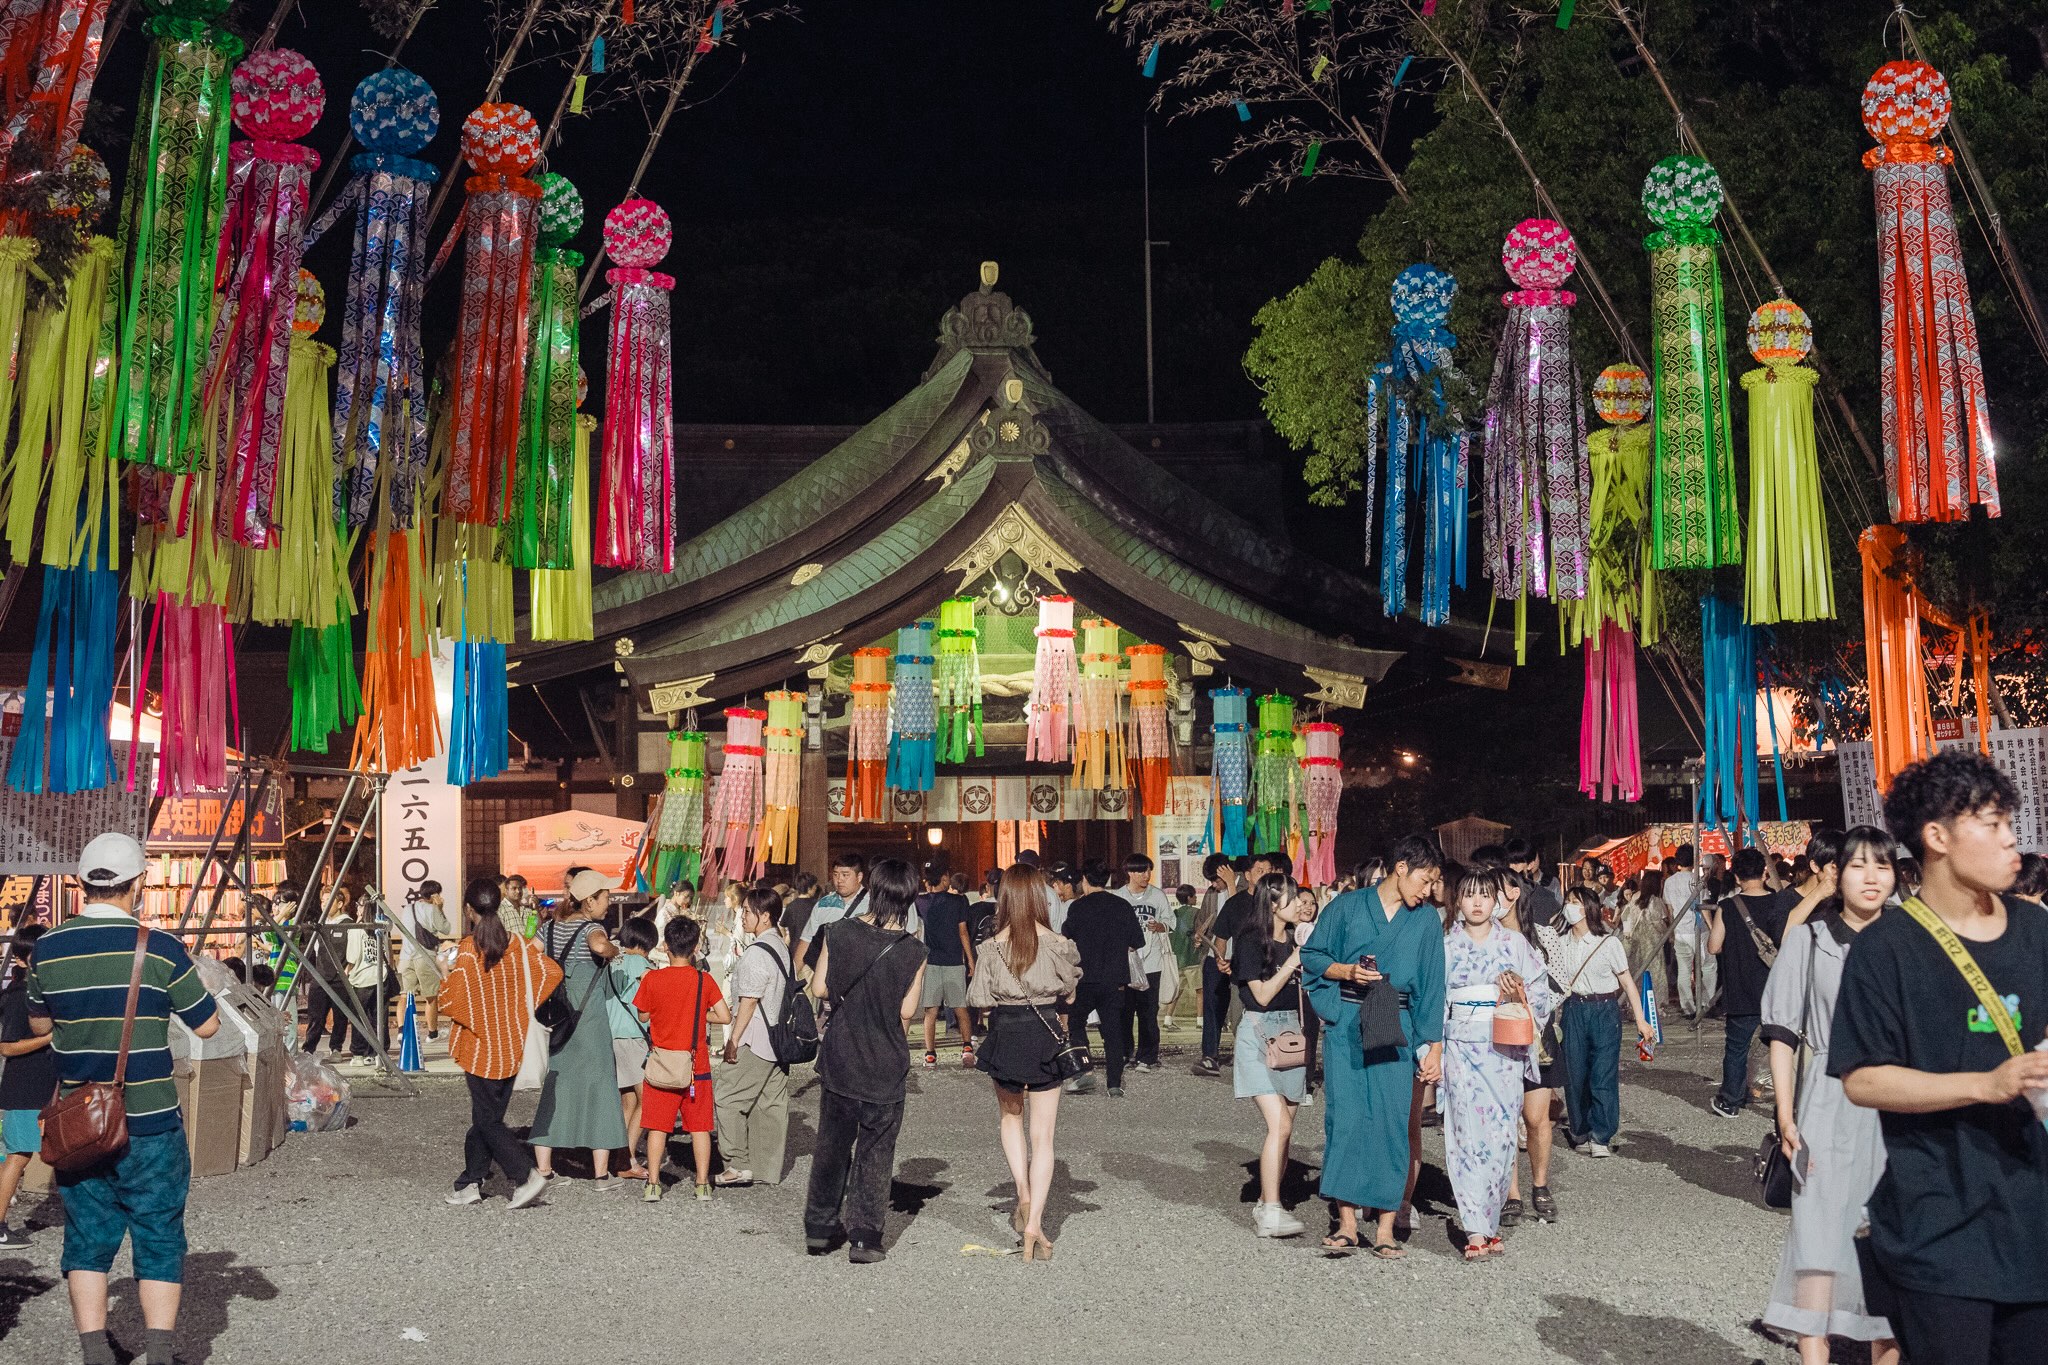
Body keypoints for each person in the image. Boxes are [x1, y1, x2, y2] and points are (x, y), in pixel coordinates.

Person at [1832, 751, 2048, 1363]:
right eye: (1994, 825)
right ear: (1937, 837)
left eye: (2012, 824)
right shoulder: (1886, 949)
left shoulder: (2038, 932)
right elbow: (1863, 1079)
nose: (2013, 842)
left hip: (2035, 1217)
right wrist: (1986, 1084)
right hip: (1938, 1226)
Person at [26, 833, 221, 1365]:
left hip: (78, 1122)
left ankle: (95, 1351)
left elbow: (41, 1022)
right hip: (150, 1120)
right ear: (138, 884)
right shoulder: (159, 949)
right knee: (157, 1231)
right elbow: (207, 1027)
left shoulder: (46, 948)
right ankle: (157, 1353)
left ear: (81, 884)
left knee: (87, 1234)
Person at [1760, 827, 1900, 1365]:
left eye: (1883, 867)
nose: (1871, 878)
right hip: (1827, 1096)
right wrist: (1785, 1115)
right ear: (1834, 875)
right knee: (1817, 1232)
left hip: (1897, 1104)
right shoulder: (1809, 939)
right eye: (1858, 866)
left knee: (1890, 1233)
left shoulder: (1913, 939)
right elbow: (1782, 1032)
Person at [1301, 834, 1447, 1257]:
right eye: (1425, 880)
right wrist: (1346, 970)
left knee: (1391, 1120)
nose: (1428, 891)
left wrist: (1432, 1046)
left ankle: (1386, 1224)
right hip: (1349, 1020)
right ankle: (1346, 1221)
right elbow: (1312, 956)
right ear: (1401, 868)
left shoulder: (1426, 921)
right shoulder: (1346, 907)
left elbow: (1433, 987)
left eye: (1433, 883)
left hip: (1397, 1024)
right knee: (1345, 1118)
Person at [803, 857, 929, 1263]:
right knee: (877, 1151)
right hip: (884, 1062)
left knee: (832, 1145)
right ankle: (864, 1237)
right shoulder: (914, 951)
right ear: (909, 897)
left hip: (841, 1054)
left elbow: (820, 987)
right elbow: (907, 1012)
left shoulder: (837, 932)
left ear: (871, 888)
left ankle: (820, 1228)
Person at [966, 865, 1081, 1261]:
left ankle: (1023, 1193)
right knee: (1043, 1137)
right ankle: (1034, 1226)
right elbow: (1069, 991)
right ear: (1038, 896)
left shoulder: (992, 946)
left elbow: (980, 998)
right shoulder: (1056, 942)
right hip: (1045, 1031)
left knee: (1010, 1118)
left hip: (1006, 1033)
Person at [1440, 867, 1553, 1259]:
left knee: (1504, 1135)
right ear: (1457, 901)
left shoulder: (1515, 944)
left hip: (1502, 1051)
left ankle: (1490, 1221)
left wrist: (1516, 988)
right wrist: (1432, 1049)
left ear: (1498, 901)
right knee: (1466, 1136)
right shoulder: (1446, 946)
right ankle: (1475, 1229)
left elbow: (1540, 994)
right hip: (1461, 1049)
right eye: (1468, 895)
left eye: (1484, 895)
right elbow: (1434, 1000)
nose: (1476, 903)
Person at [437, 878, 560, 1210]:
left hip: (480, 1048)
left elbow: (453, 1000)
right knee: (485, 1119)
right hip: (513, 1043)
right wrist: (521, 1006)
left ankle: (525, 1176)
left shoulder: (467, 949)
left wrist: (442, 972)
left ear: (468, 910)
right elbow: (550, 972)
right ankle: (470, 1183)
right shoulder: (518, 944)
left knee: (488, 1121)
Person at [1536, 886, 1655, 1156]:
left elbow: (1627, 981)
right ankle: (1580, 1130)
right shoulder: (1560, 941)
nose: (1569, 906)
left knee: (1603, 1074)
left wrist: (1641, 1020)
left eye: (1575, 902)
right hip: (1573, 1009)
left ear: (1588, 907)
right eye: (1567, 901)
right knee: (1575, 1074)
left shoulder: (1608, 942)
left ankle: (1601, 1135)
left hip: (1604, 1009)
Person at [530, 869, 628, 1183]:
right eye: (606, 897)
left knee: (558, 1086)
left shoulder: (550, 927)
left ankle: (544, 1168)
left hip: (560, 1016)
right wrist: (614, 951)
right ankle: (600, 1172)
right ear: (590, 900)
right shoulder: (592, 927)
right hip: (589, 1018)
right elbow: (600, 947)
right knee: (600, 1085)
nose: (608, 903)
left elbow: (531, 952)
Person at [1231, 872, 1313, 1239]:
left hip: (1293, 1033)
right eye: (1294, 899)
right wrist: (1295, 959)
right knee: (1278, 1124)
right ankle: (1273, 1212)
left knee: (1286, 1129)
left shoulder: (1297, 938)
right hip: (1258, 1033)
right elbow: (1261, 995)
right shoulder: (1250, 940)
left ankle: (1268, 1202)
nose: (1302, 905)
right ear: (1274, 903)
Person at [635, 916, 729, 1202]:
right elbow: (725, 1016)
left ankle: (653, 1184)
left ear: (665, 946)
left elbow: (643, 1015)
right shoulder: (704, 980)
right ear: (696, 947)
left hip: (662, 1065)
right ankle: (702, 1184)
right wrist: (700, 1016)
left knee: (658, 1127)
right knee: (700, 1128)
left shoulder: (653, 979)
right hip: (695, 1067)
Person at [1492, 869, 1562, 1225]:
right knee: (1505, 1116)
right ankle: (1511, 1194)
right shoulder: (1483, 939)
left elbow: (1562, 980)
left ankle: (1540, 1184)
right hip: (1499, 1035)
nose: (1490, 900)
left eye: (1497, 892)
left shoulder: (1541, 936)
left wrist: (1531, 995)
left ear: (1515, 894)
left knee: (1536, 1116)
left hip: (1537, 1034)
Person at [1707, 847, 1795, 1117]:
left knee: (1736, 1048)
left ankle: (1731, 1101)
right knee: (1785, 1049)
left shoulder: (1728, 907)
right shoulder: (1782, 903)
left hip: (1741, 991)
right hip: (1777, 990)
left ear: (1736, 877)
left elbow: (1713, 947)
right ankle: (1789, 1104)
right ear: (1764, 872)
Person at [716, 888, 794, 1187]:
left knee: (728, 1096)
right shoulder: (779, 946)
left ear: (765, 916)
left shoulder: (757, 951)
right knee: (769, 1103)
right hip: (779, 1037)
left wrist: (733, 1040)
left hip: (755, 1036)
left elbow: (749, 1000)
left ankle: (737, 1164)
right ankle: (766, 1169)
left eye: (747, 911)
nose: (742, 915)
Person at [1059, 861, 1144, 1097]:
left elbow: (1067, 937)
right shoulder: (1122, 905)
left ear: (1085, 879)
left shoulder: (1077, 907)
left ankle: (1083, 1071)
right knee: (1113, 1031)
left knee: (1076, 1022)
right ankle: (1114, 1083)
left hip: (1085, 978)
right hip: (1114, 978)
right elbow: (1137, 940)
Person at [0, 923, 57, 1246]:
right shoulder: (19, 997)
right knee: (18, 1157)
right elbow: (7, 1046)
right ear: (21, 961)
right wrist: (52, 1036)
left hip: (45, 1085)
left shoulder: (41, 992)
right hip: (25, 1089)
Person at [606, 916, 657, 1181]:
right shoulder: (640, 963)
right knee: (647, 1099)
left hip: (611, 1037)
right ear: (647, 942)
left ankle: (618, 1156)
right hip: (632, 1037)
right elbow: (655, 995)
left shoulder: (612, 962)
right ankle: (627, 1160)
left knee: (628, 1100)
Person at [1117, 853, 1176, 1073]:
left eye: (1148, 870)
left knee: (1148, 1012)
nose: (1146, 875)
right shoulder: (1119, 896)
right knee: (1124, 1011)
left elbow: (1172, 921)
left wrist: (1162, 926)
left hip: (1152, 963)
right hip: (1126, 964)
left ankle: (1148, 1056)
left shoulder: (1157, 896)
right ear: (1130, 872)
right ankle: (1125, 1052)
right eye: (1141, 871)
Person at [917, 867, 975, 1069]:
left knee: (930, 1011)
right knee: (960, 1008)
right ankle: (967, 1048)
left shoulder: (921, 902)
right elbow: (963, 932)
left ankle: (930, 1054)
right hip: (954, 961)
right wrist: (970, 960)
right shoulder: (958, 901)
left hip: (931, 961)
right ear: (943, 879)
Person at [300, 895, 352, 1058]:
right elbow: (314, 951)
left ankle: (336, 1048)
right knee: (316, 1016)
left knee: (340, 1017)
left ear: (340, 903)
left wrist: (348, 971)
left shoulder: (348, 924)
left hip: (340, 978)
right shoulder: (319, 925)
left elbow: (353, 951)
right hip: (320, 976)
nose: (324, 904)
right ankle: (308, 1049)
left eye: (329, 900)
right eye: (322, 900)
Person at [343, 891, 392, 1067]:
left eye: (358, 905)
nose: (356, 908)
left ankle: (359, 1053)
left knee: (360, 1018)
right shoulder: (382, 926)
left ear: (362, 908)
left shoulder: (356, 929)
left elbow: (353, 956)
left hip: (362, 978)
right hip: (381, 975)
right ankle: (378, 1052)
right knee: (379, 1017)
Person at [400, 880, 451, 1041]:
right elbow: (445, 928)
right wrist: (440, 909)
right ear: (435, 894)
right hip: (425, 957)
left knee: (405, 995)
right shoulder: (432, 909)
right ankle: (432, 1033)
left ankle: (402, 1030)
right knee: (430, 996)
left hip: (405, 957)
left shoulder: (407, 909)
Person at [1665, 844, 1713, 1017]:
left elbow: (1669, 910)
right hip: (1698, 929)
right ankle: (1705, 1003)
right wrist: (1712, 928)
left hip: (1679, 931)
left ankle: (1688, 1007)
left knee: (1684, 970)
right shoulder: (1697, 880)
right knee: (1708, 966)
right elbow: (1704, 907)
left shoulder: (1669, 882)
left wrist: (1672, 931)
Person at [1618, 869, 1672, 1014]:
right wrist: (1667, 932)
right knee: (1656, 974)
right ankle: (1656, 1004)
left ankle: (1634, 1005)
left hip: (1635, 944)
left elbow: (1625, 918)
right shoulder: (1655, 901)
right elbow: (1659, 923)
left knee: (1637, 974)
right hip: (1652, 943)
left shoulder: (1634, 898)